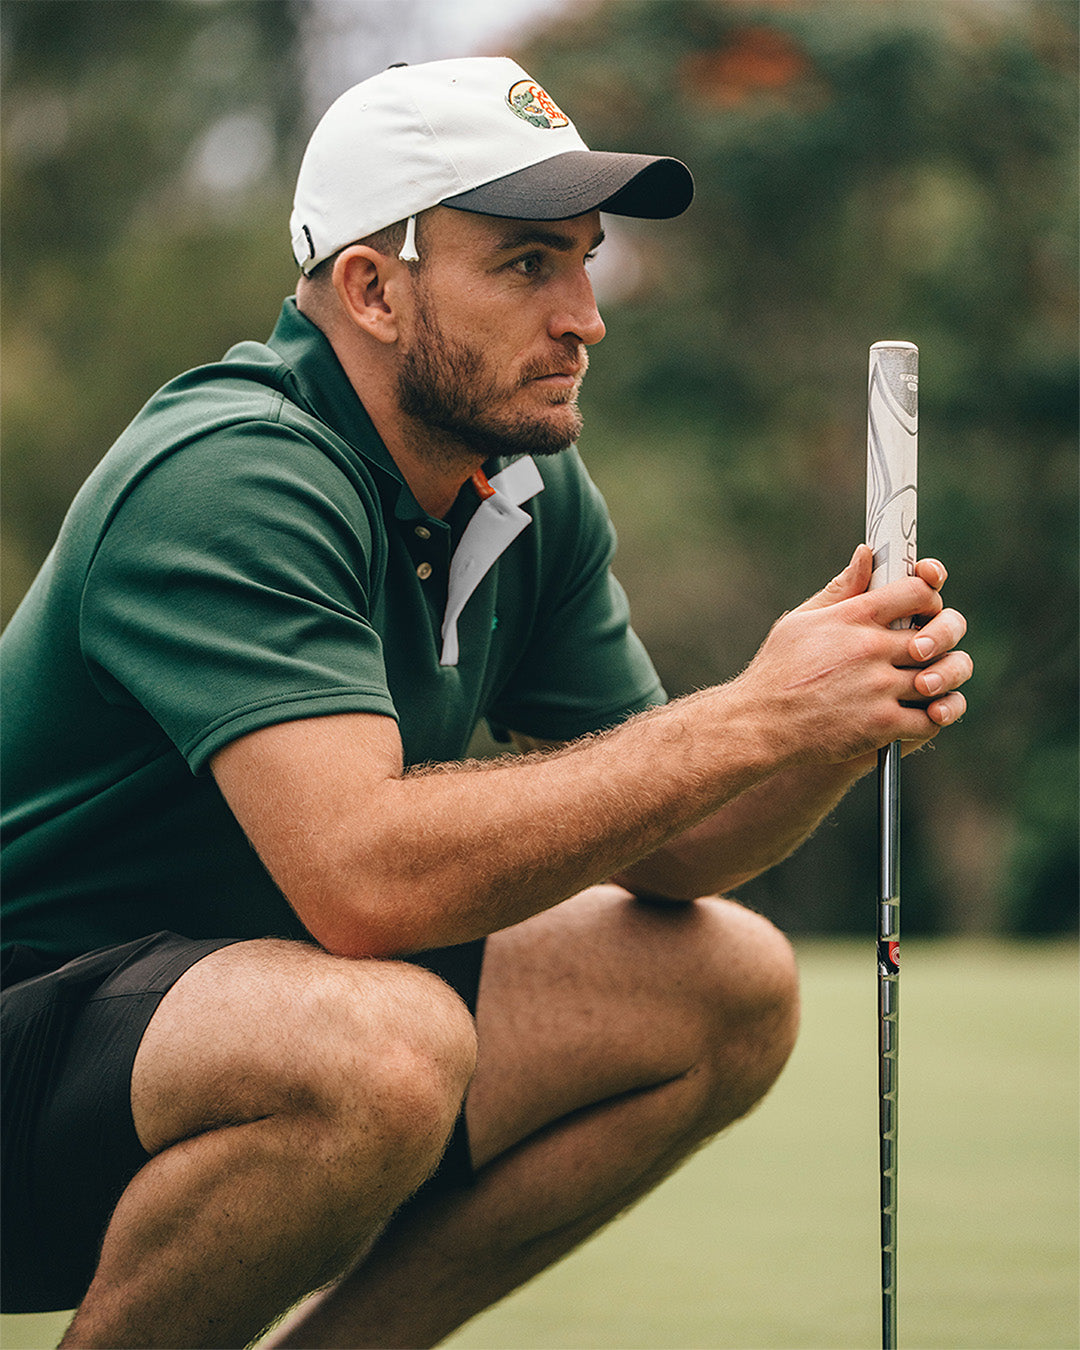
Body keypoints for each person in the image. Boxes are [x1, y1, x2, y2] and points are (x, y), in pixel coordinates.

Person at [0, 56, 971, 1349]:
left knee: (725, 982)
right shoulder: (230, 474)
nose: (586, 317)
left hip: (213, 1028)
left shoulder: (518, 487)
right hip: (30, 1036)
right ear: (372, 289)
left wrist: (830, 721)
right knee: (383, 1048)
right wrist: (750, 714)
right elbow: (365, 882)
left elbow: (676, 851)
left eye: (586, 261)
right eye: (527, 265)